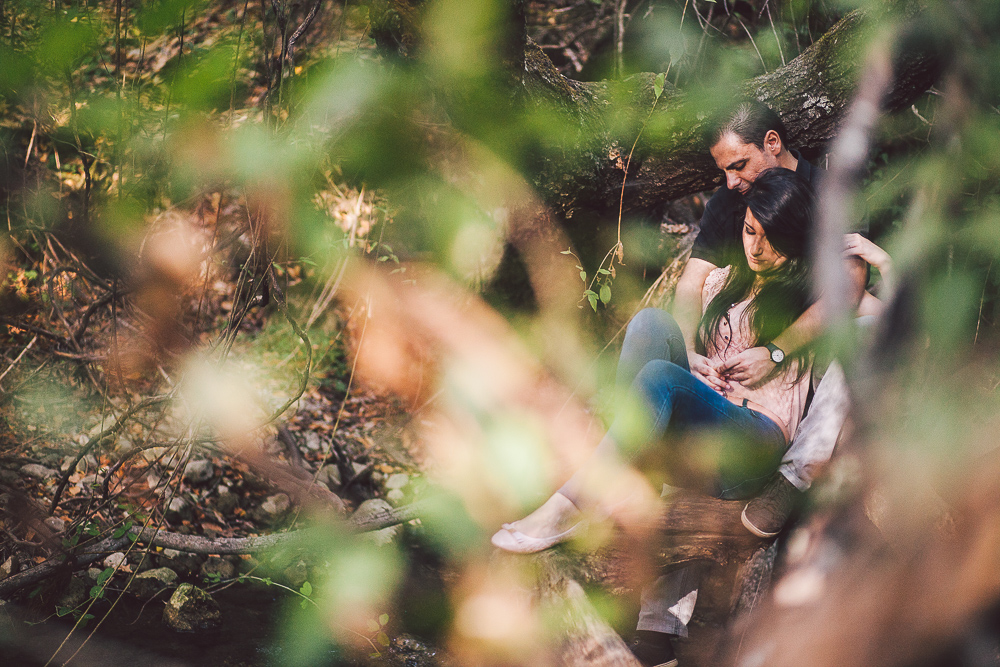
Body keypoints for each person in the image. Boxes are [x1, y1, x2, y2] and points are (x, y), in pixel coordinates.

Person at [492, 168, 820, 667]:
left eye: (771, 238)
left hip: (752, 446)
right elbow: (692, 360)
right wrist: (699, 366)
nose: (756, 247)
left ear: (795, 238)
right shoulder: (724, 284)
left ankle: (572, 502)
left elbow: (875, 309)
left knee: (660, 379)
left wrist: (773, 355)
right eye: (751, 230)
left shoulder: (812, 301)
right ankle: (627, 471)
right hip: (705, 429)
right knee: (652, 323)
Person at [673, 101, 869, 539]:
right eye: (724, 170)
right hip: (736, 362)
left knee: (863, 328)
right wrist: (686, 348)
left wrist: (778, 350)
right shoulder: (728, 204)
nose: (731, 181)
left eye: (739, 165)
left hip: (806, 352)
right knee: (659, 332)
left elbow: (850, 286)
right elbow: (692, 284)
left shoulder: (830, 194)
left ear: (773, 144)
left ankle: (795, 475)